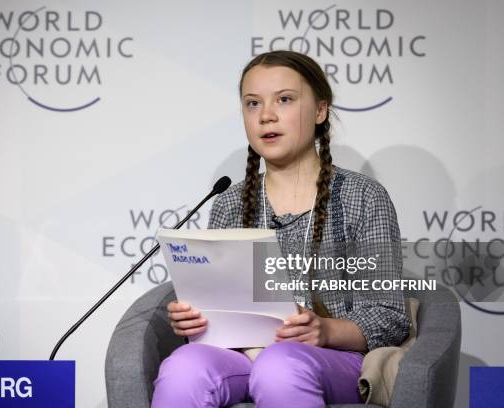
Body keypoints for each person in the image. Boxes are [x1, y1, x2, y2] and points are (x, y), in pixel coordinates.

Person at [152, 50, 410, 408]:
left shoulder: (363, 196)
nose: (266, 116)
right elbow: (219, 315)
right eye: (253, 104)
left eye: (284, 100)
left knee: (280, 364)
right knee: (183, 367)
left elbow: (390, 316)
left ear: (320, 110)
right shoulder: (230, 202)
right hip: (242, 355)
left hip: (334, 359)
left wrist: (326, 330)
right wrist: (197, 321)